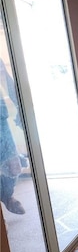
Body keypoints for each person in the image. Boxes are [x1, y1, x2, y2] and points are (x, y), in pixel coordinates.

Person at [0, 61, 25, 215]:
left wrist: (19, 105)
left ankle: (7, 196)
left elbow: (4, 77)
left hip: (0, 120)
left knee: (12, 166)